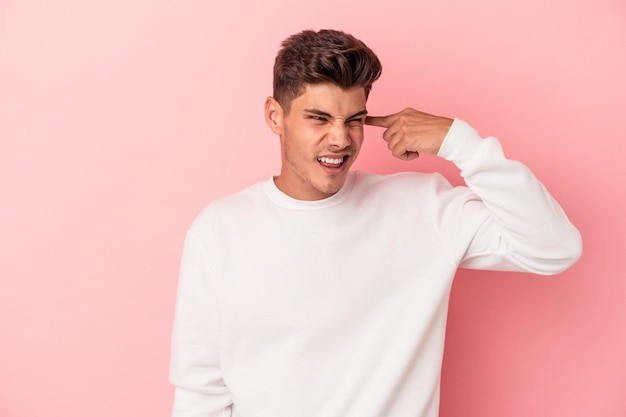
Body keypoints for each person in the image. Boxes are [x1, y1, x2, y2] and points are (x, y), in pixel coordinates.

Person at [169, 29, 582, 417]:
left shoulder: (422, 209)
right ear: (275, 116)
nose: (341, 139)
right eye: (319, 118)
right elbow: (200, 389)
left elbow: (554, 247)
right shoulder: (220, 230)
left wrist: (460, 144)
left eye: (353, 120)